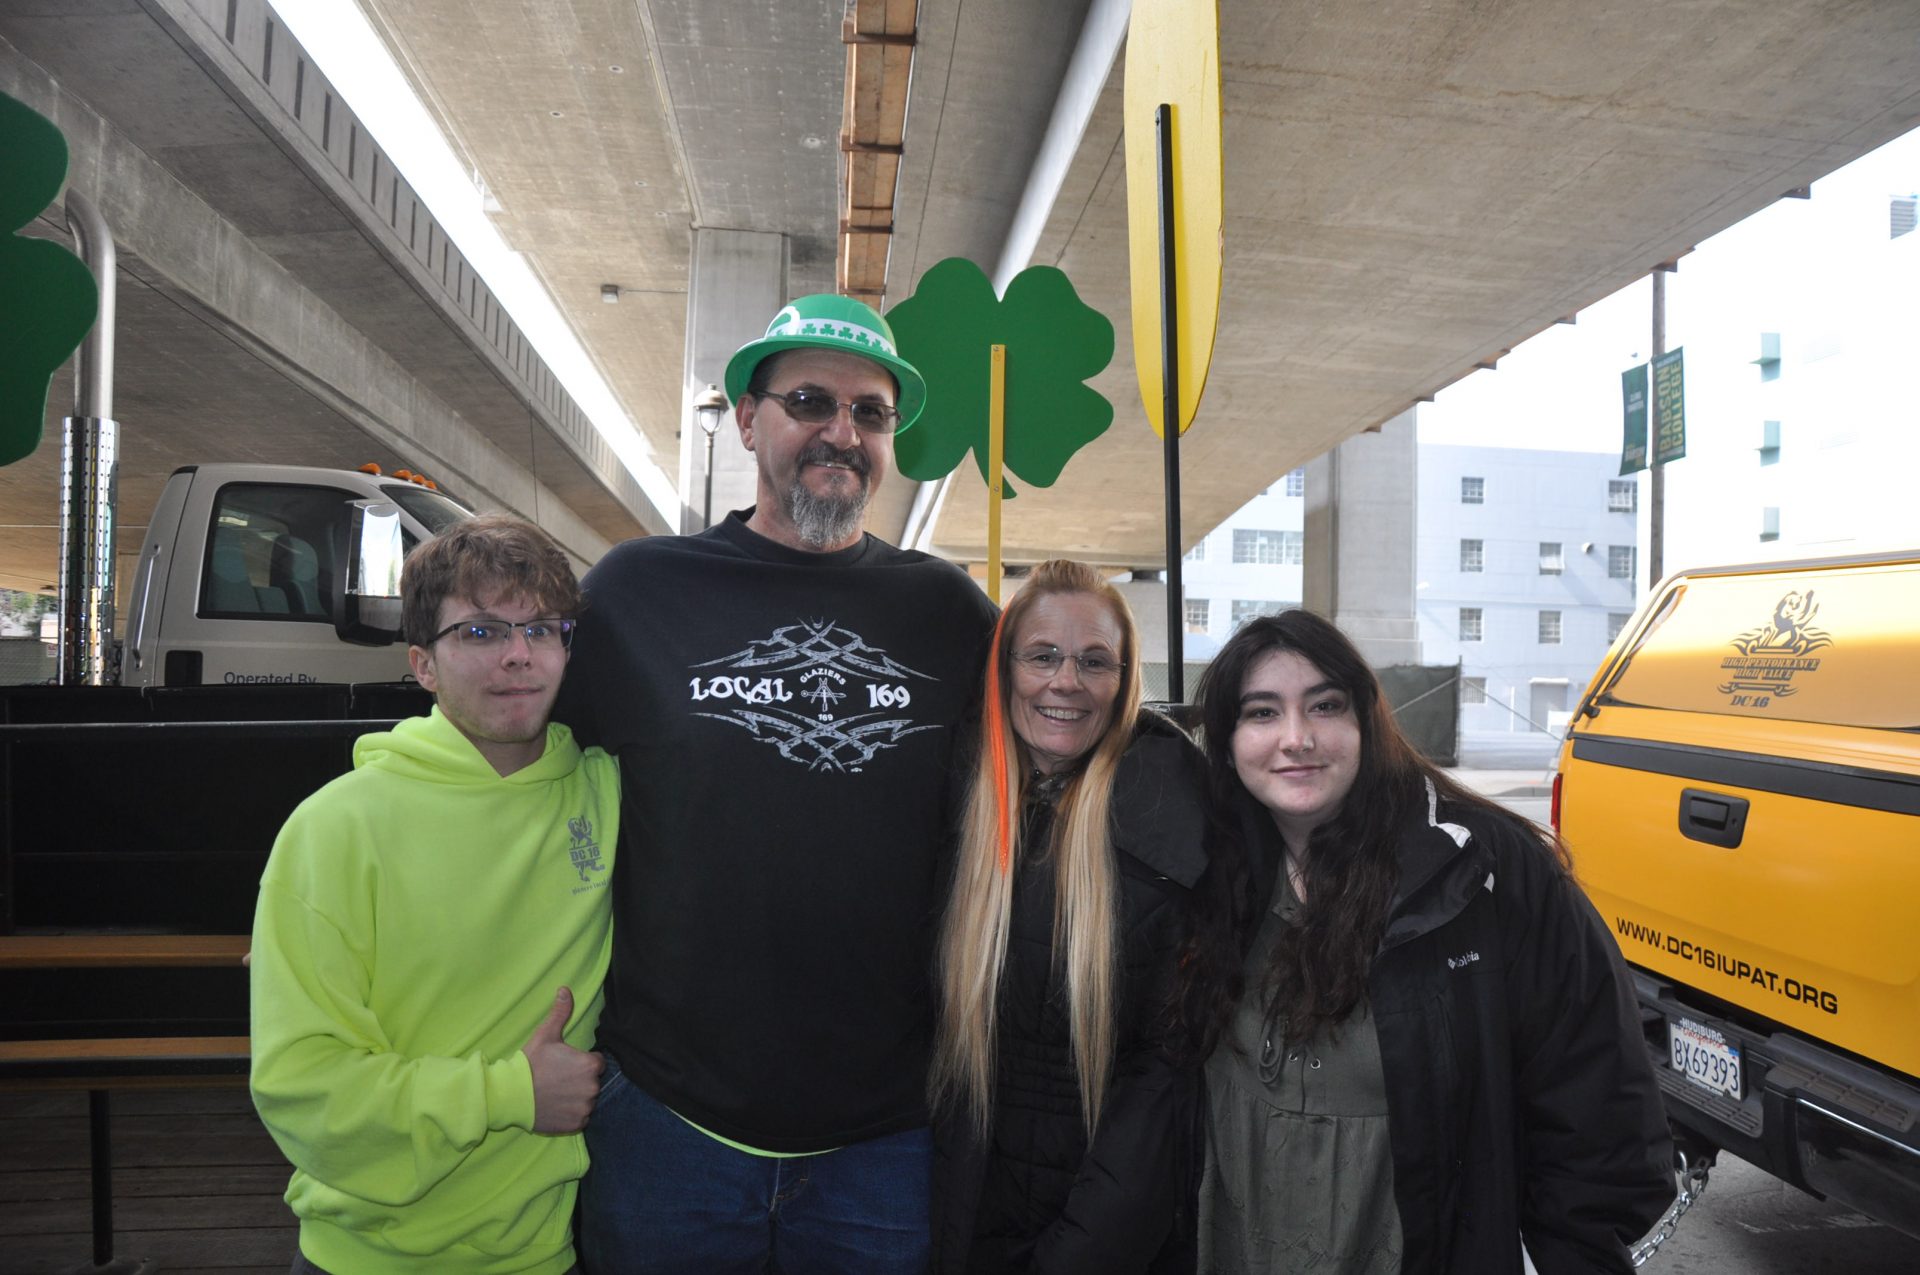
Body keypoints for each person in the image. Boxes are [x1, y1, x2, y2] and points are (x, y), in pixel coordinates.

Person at [556, 294, 999, 1273]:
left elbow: (1053, 774)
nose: (842, 433)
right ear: (751, 420)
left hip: (882, 1134)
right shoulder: (636, 592)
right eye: (810, 401)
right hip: (669, 1118)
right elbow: (511, 781)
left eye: (871, 413)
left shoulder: (947, 612)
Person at [1183, 609, 1674, 1274]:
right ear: (1227, 736)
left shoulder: (1481, 871)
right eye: (1262, 712)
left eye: (1324, 705)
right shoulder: (1210, 874)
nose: (1296, 737)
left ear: (1366, 719)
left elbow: (1595, 1097)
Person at [249, 515, 619, 1275]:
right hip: (362, 1257)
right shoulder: (334, 828)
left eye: (542, 629)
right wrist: (510, 1092)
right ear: (422, 663)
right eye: (481, 632)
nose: (519, 654)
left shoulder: (604, 794)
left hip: (542, 1255)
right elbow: (303, 1088)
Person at [929, 560, 1209, 1274]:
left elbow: (1161, 1085)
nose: (1066, 682)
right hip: (955, 1222)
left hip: (1098, 1238)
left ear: (1124, 680)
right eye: (1043, 656)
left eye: (1094, 661)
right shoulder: (949, 808)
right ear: (1005, 669)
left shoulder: (1168, 828)